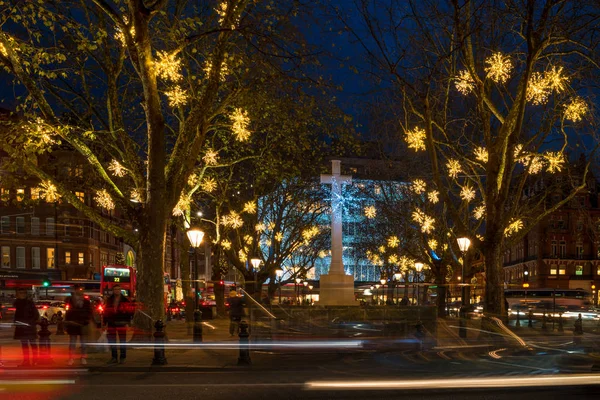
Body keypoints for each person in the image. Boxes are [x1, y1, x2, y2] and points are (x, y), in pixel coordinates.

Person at [103, 285, 132, 364]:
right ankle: (114, 357)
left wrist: (127, 323)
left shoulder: (125, 300)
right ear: (113, 290)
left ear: (120, 290)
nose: (117, 291)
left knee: (122, 341)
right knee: (112, 341)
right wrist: (105, 323)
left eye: (118, 289)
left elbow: (128, 313)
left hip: (121, 322)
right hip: (111, 323)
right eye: (115, 289)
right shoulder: (109, 300)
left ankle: (122, 357)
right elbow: (106, 312)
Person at [65, 288, 93, 365]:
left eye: (80, 295)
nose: (79, 296)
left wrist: (86, 320)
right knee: (72, 343)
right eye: (77, 295)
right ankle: (71, 358)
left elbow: (89, 312)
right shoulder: (71, 302)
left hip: (82, 324)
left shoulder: (86, 302)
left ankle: (83, 357)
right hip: (73, 324)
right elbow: (68, 313)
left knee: (83, 343)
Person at [13, 288, 39, 367]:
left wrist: (28, 322)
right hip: (23, 326)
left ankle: (34, 360)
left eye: (21, 293)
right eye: (19, 293)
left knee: (32, 344)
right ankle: (27, 361)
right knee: (25, 345)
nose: (20, 295)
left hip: (28, 326)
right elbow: (18, 315)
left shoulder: (28, 303)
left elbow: (35, 315)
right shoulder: (18, 303)